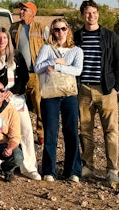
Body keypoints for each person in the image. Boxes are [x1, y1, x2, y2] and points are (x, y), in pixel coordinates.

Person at [73, 0, 119, 186]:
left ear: (98, 14)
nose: (91, 16)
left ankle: (112, 170)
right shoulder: (76, 37)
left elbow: (118, 63)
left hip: (105, 90)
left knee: (111, 130)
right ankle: (88, 165)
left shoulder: (110, 36)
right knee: (85, 130)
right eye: (87, 13)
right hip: (84, 89)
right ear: (82, 15)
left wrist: (116, 86)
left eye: (94, 12)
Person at [33, 18, 83, 182]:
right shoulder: (47, 48)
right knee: (50, 133)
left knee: (71, 132)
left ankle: (73, 171)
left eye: (63, 29)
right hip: (50, 95)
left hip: (69, 95)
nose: (60, 32)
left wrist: (58, 67)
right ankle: (49, 171)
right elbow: (38, 68)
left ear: (68, 29)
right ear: (52, 32)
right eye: (56, 29)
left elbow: (77, 70)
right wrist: (53, 60)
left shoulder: (76, 50)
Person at [0, 29, 41, 180]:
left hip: (16, 98)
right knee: (1, 132)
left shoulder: (17, 56)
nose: (1, 40)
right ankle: (5, 165)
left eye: (4, 37)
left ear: (8, 39)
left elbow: (24, 76)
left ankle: (29, 167)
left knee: (25, 130)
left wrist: (14, 91)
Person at [10, 2, 46, 145]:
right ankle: (18, 134)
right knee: (18, 104)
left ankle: (41, 134)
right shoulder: (13, 28)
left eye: (25, 9)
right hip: (19, 73)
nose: (22, 11)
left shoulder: (41, 29)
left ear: (33, 13)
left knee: (39, 106)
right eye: (21, 9)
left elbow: (50, 46)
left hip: (37, 74)